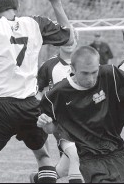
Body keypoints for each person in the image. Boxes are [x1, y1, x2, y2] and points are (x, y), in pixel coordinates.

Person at [0, 0, 75, 183]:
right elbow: (68, 38)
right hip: (30, 106)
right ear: (17, 5)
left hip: (0, 108)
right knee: (43, 157)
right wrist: (55, 2)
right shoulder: (35, 23)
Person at [37, 46, 124, 183]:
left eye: (94, 72)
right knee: (65, 169)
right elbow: (51, 129)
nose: (91, 79)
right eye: (85, 73)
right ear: (73, 69)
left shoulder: (110, 74)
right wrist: (46, 124)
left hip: (118, 153)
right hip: (89, 160)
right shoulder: (56, 95)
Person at [30, 37, 83, 183]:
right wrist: (43, 110)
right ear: (57, 42)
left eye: (72, 39)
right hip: (60, 120)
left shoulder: (86, 63)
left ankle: (36, 179)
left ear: (77, 41)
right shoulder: (48, 65)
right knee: (75, 153)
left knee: (64, 169)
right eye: (64, 39)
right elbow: (36, 90)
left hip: (84, 121)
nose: (68, 42)